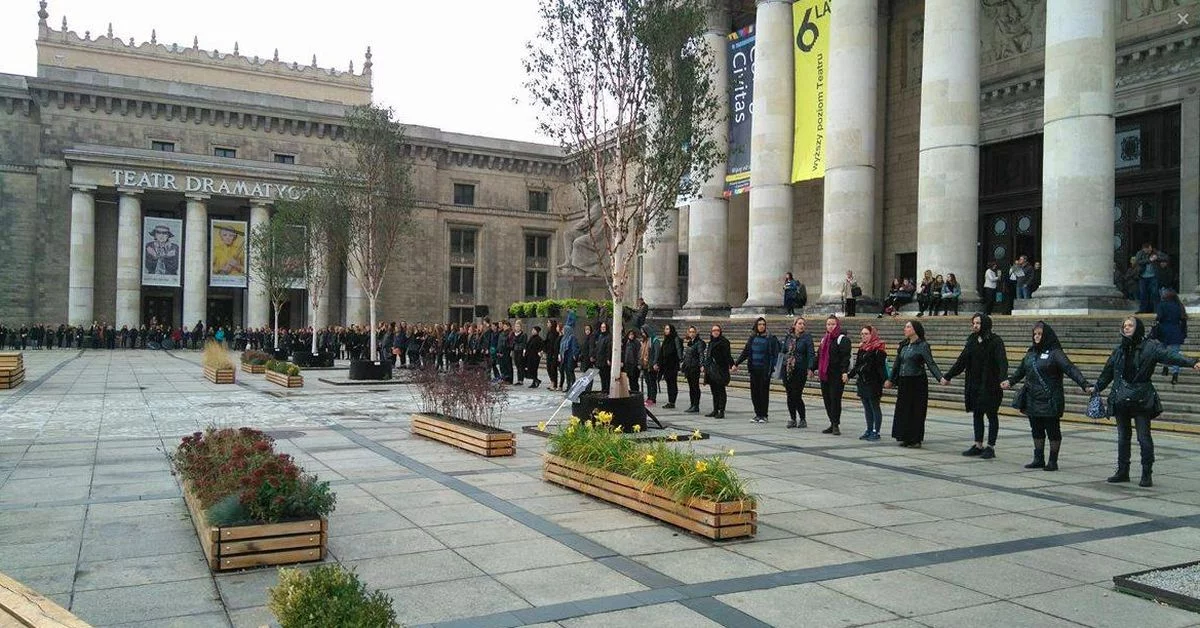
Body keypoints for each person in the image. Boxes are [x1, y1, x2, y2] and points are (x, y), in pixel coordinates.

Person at [1094, 316, 1200, 487]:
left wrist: (1192, 362)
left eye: (1130, 325)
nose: (1126, 328)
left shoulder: (1150, 347)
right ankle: (1122, 470)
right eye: (1124, 325)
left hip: (1141, 399)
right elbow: (1108, 372)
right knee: (1123, 437)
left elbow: (1170, 355)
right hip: (1121, 398)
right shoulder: (1120, 349)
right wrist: (1097, 387)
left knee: (1143, 437)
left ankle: (1146, 472)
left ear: (1138, 328)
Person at [1002, 322, 1090, 471]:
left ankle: (1053, 461)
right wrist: (1010, 381)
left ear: (1046, 335)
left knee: (1052, 429)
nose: (1036, 337)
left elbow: (1070, 368)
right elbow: (1021, 371)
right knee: (1036, 429)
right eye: (1035, 334)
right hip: (1032, 397)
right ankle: (1038, 458)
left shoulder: (1055, 353)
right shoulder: (1031, 353)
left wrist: (1084, 384)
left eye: (1040, 334)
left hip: (1050, 399)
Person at [942, 314, 1008, 460]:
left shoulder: (995, 341)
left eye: (978, 323)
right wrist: (948, 376)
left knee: (991, 415)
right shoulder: (972, 340)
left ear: (985, 324)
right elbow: (962, 360)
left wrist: (1003, 378)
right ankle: (978, 445)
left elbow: (1002, 361)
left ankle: (990, 447)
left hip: (990, 384)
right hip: (975, 383)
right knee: (977, 414)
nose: (975, 326)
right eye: (974, 323)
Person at [887, 320, 943, 448]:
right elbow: (897, 364)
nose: (905, 329)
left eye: (908, 327)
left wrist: (940, 378)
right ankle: (905, 436)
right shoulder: (904, 346)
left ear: (915, 329)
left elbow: (931, 363)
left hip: (917, 381)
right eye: (905, 327)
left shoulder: (923, 345)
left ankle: (916, 439)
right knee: (904, 409)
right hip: (904, 381)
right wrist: (891, 379)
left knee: (916, 410)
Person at [733, 317, 780, 423]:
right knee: (755, 393)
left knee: (763, 392)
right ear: (756, 326)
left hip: (764, 370)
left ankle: (764, 415)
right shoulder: (752, 338)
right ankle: (758, 414)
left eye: (763, 324)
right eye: (760, 324)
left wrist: (773, 366)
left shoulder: (770, 338)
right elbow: (746, 352)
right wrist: (736, 363)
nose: (762, 326)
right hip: (754, 369)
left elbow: (775, 354)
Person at [848, 325, 887, 441]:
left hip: (874, 382)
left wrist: (886, 380)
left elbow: (880, 368)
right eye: (862, 334)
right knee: (866, 407)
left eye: (866, 334)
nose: (864, 336)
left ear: (872, 334)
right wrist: (849, 376)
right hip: (863, 381)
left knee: (874, 406)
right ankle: (869, 429)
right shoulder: (862, 348)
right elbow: (857, 366)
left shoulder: (878, 349)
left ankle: (876, 431)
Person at [818, 315, 852, 435]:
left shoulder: (842, 339)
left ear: (837, 325)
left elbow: (845, 357)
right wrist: (812, 368)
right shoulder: (824, 339)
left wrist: (844, 371)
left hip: (836, 375)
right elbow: (819, 356)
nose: (830, 326)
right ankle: (832, 422)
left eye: (833, 324)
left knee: (835, 399)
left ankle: (836, 424)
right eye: (828, 324)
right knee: (827, 399)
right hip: (825, 375)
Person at [781, 317, 815, 429]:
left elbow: (811, 354)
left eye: (803, 324)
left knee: (796, 394)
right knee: (789, 394)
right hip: (787, 369)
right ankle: (792, 418)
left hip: (800, 369)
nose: (802, 326)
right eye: (799, 323)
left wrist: (811, 368)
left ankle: (803, 418)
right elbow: (783, 351)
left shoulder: (807, 338)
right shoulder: (788, 337)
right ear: (794, 325)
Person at [1155, 289, 1189, 385]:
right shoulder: (1179, 305)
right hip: (1176, 331)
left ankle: (1165, 367)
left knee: (1164, 351)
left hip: (1164, 331)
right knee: (1175, 353)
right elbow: (1183, 319)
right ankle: (1175, 375)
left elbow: (1159, 317)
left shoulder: (1162, 305)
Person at [702, 324, 732, 418]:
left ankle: (721, 411)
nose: (716, 332)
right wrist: (705, 366)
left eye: (717, 330)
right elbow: (708, 356)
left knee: (721, 390)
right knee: (714, 391)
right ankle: (715, 410)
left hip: (720, 370)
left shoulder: (724, 342)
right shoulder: (711, 342)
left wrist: (732, 364)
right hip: (711, 370)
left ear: (720, 331)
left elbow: (727, 355)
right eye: (714, 330)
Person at [655, 324, 683, 408]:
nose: (666, 330)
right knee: (668, 383)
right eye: (665, 329)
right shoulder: (666, 340)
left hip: (672, 365)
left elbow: (678, 352)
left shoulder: (675, 339)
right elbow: (662, 352)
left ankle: (672, 401)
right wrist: (659, 363)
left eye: (667, 329)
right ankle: (670, 401)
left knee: (672, 383)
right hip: (665, 366)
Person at [681, 325, 705, 413]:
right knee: (691, 387)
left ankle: (696, 405)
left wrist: (702, 364)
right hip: (688, 367)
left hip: (694, 367)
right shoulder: (690, 342)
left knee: (695, 386)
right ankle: (692, 404)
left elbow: (701, 354)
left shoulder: (699, 342)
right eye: (690, 332)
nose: (691, 333)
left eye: (693, 332)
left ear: (696, 333)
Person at [1134, 243, 1160, 313]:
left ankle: (1156, 309)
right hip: (1143, 276)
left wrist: (1157, 258)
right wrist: (1149, 260)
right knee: (1143, 294)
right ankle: (1142, 309)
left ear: (1150, 248)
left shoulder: (1155, 252)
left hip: (1153, 277)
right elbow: (1138, 261)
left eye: (1147, 250)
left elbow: (1164, 257)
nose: (1146, 251)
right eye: (1145, 250)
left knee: (1154, 293)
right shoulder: (1140, 253)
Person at [559, 314, 580, 390]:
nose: (563, 331)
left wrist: (575, 354)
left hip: (570, 357)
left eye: (564, 330)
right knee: (566, 372)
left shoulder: (572, 337)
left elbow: (575, 347)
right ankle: (568, 386)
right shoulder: (563, 338)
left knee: (570, 372)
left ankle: (573, 386)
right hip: (565, 358)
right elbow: (561, 348)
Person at [622, 329, 642, 394]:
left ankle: (636, 392)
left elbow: (639, 353)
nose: (631, 336)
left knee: (634, 380)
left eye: (632, 334)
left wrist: (638, 363)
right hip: (628, 364)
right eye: (630, 334)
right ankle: (633, 392)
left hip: (634, 364)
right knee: (630, 380)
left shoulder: (636, 343)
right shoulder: (627, 342)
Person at [544, 319, 561, 391]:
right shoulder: (549, 332)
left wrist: (556, 354)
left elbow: (556, 344)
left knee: (553, 368)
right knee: (548, 368)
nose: (547, 324)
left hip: (554, 353)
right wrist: (544, 350)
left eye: (548, 322)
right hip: (549, 352)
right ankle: (552, 382)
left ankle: (554, 384)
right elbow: (546, 341)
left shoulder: (556, 333)